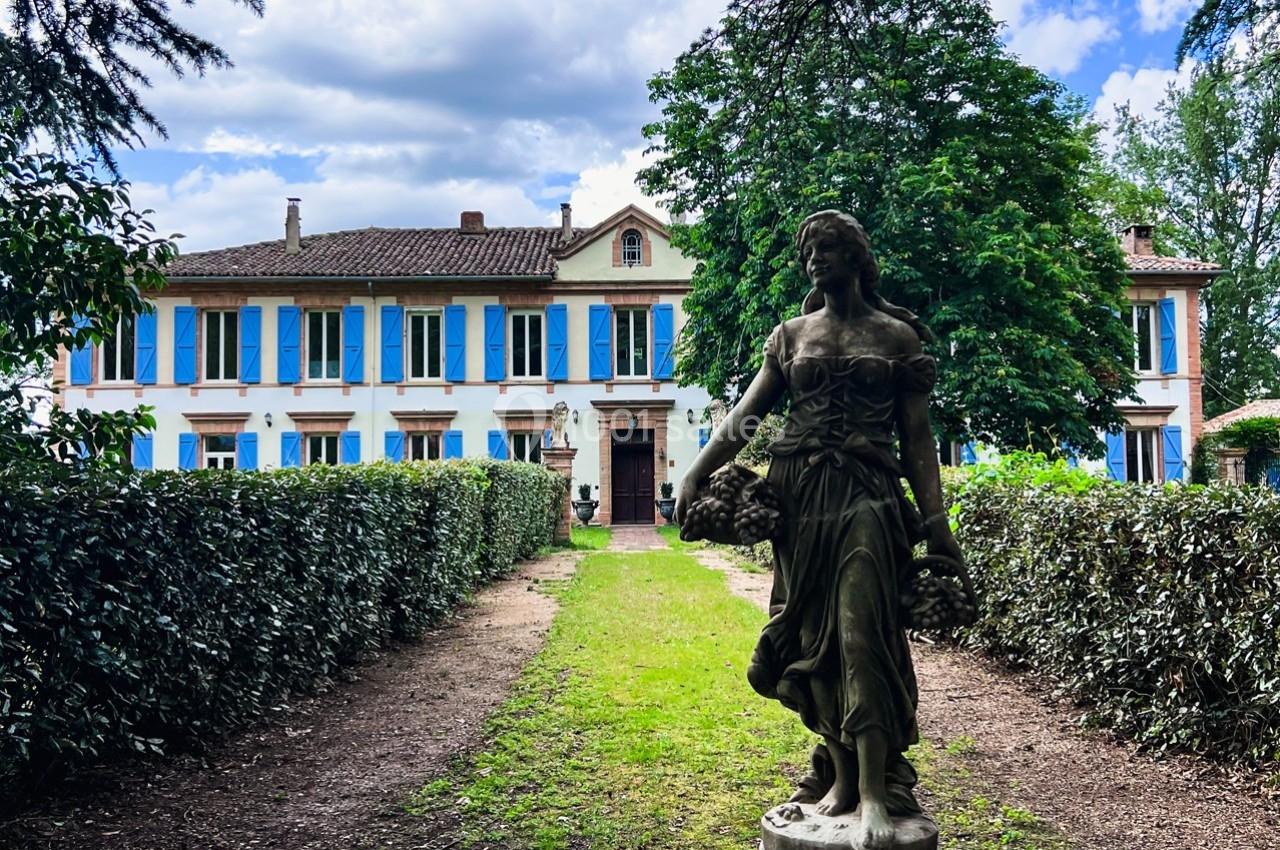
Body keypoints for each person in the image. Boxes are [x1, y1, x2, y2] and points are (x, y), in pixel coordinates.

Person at [675, 210, 966, 850]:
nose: (815, 258)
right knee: (815, 635)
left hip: (867, 493)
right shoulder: (791, 334)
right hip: (799, 498)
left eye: (828, 247)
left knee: (861, 631)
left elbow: (918, 438)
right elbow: (747, 417)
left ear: (857, 257)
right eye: (809, 250)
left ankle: (872, 796)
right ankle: (838, 780)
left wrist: (937, 522)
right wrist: (695, 473)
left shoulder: (897, 337)